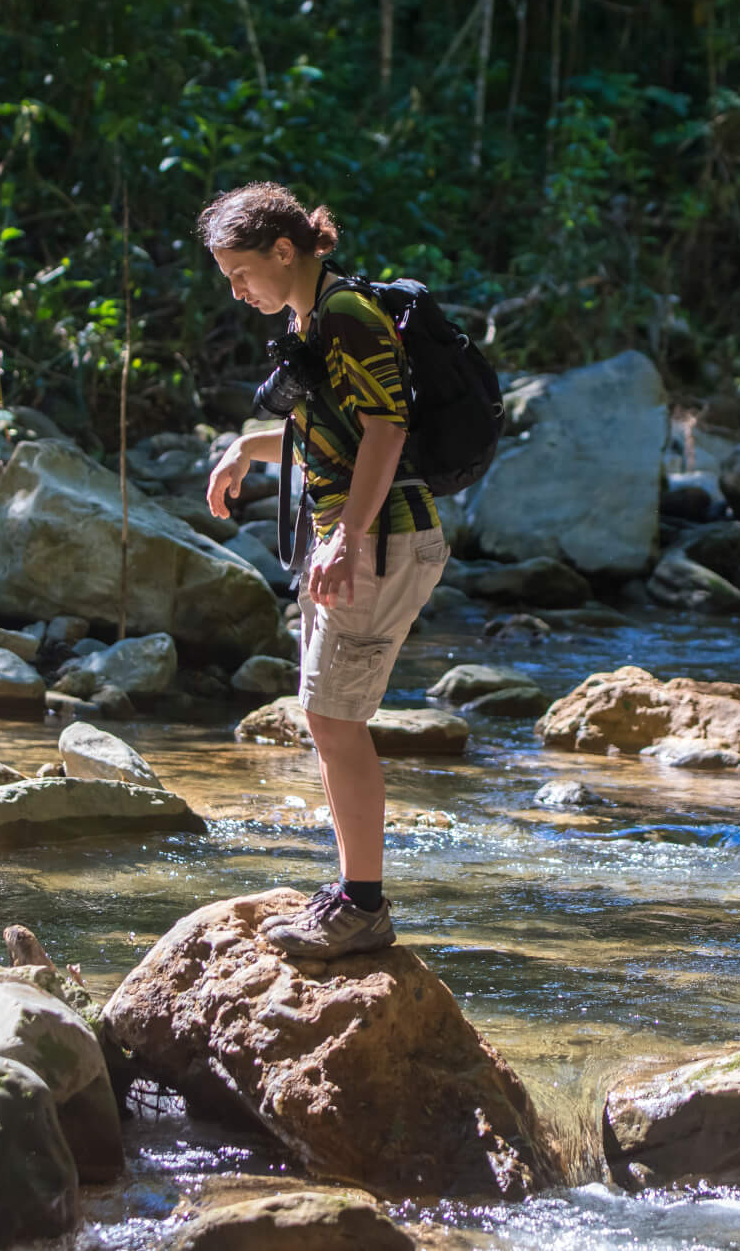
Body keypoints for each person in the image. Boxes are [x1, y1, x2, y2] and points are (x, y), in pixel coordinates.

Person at [198, 182, 450, 959]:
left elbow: (386, 430)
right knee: (326, 717)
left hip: (380, 541)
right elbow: (327, 433)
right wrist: (250, 448)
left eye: (241, 273)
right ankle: (350, 889)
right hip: (355, 538)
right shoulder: (315, 317)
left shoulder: (346, 315)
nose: (237, 292)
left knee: (335, 720)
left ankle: (364, 904)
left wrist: (346, 534)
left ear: (284, 250)